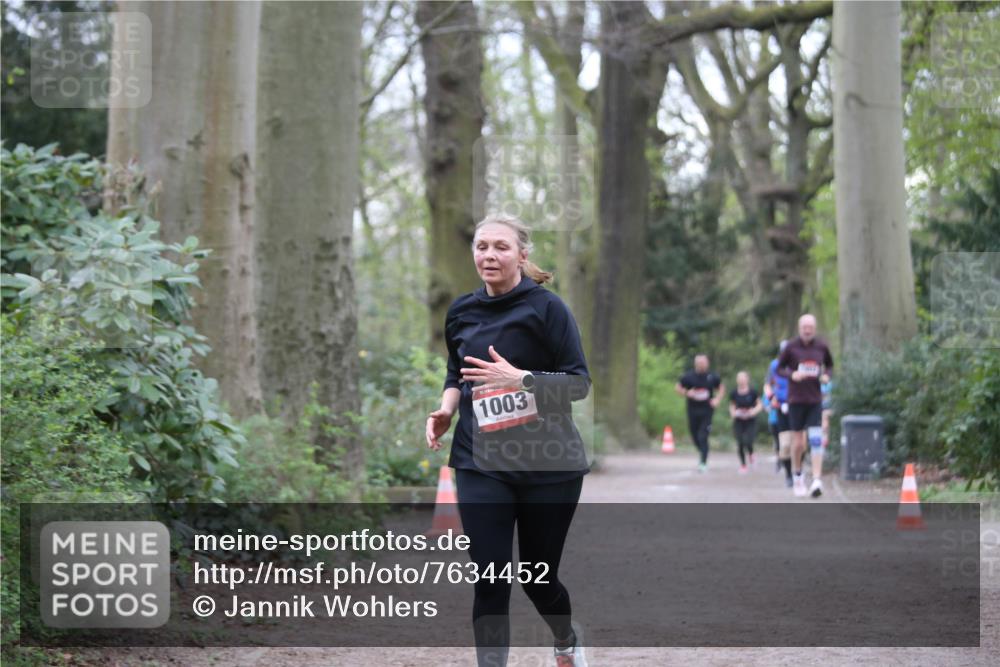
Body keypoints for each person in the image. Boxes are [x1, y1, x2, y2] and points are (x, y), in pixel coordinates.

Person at [425, 213, 591, 667]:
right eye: (482, 247)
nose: (489, 255)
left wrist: (522, 379)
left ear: (522, 254)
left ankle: (564, 637)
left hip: (548, 467)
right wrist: (447, 407)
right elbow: (455, 371)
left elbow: (579, 384)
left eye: (500, 246)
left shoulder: (547, 309)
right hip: (480, 462)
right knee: (491, 577)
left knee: (538, 579)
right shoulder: (461, 311)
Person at [777, 314, 834, 498]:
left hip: (815, 400)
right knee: (798, 443)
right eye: (804, 327)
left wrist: (827, 375)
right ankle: (798, 475)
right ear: (799, 328)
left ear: (815, 328)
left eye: (810, 327)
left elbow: (830, 365)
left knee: (816, 440)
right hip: (796, 400)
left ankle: (817, 479)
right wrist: (792, 374)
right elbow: (779, 368)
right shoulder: (791, 347)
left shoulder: (822, 346)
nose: (807, 330)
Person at [675, 355, 724, 472]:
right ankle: (702, 451)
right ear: (695, 364)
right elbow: (677, 387)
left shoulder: (712, 377)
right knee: (695, 436)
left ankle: (703, 462)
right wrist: (687, 392)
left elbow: (721, 388)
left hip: (707, 411)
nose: (702, 365)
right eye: (700, 363)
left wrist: (717, 400)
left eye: (704, 363)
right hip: (692, 410)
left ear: (707, 363)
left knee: (703, 435)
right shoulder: (689, 376)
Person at [765, 340, 794, 487]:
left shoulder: (797, 365)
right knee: (785, 442)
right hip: (781, 406)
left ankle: (798, 471)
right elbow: (767, 385)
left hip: (797, 405)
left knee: (800, 442)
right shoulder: (774, 365)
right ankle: (789, 474)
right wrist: (771, 399)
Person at [729, 371, 762, 473]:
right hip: (739, 420)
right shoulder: (734, 393)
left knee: (748, 441)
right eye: (739, 378)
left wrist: (753, 411)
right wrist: (733, 413)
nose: (741, 380)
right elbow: (732, 405)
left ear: (747, 379)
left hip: (750, 420)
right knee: (740, 443)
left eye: (743, 378)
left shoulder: (752, 392)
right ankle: (743, 465)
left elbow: (759, 405)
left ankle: (751, 454)